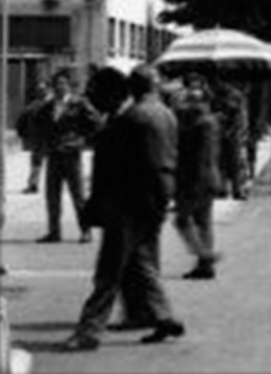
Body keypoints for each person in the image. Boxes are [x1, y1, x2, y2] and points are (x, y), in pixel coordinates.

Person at [60, 67, 184, 352]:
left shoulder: (129, 120)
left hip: (127, 203)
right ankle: (163, 316)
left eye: (97, 93)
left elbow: (110, 171)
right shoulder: (165, 113)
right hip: (155, 199)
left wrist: (93, 209)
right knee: (139, 263)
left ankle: (88, 332)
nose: (92, 99)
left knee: (109, 271)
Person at [39, 70, 103, 243]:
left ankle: (85, 231)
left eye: (63, 83)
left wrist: (82, 141)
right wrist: (45, 144)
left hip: (72, 155)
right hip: (54, 155)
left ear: (69, 86)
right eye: (57, 84)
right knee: (52, 196)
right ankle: (54, 232)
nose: (59, 87)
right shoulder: (48, 105)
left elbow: (97, 123)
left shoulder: (79, 103)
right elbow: (41, 126)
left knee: (78, 196)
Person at [172, 78, 224, 280]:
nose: (188, 103)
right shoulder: (205, 121)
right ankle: (205, 266)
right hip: (207, 179)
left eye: (193, 99)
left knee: (182, 220)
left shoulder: (201, 124)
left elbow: (200, 157)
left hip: (197, 181)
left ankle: (206, 256)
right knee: (204, 222)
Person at [214, 80, 249, 200]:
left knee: (236, 163)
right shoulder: (215, 95)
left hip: (233, 134)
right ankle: (223, 188)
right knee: (221, 162)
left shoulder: (237, 96)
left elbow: (241, 116)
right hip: (220, 133)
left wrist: (235, 130)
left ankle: (237, 189)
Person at [16, 80, 51, 195]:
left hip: (53, 139)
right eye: (39, 90)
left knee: (58, 164)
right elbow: (22, 119)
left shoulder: (54, 103)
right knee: (36, 163)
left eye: (43, 89)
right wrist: (23, 133)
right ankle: (33, 185)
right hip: (38, 139)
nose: (41, 92)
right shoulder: (34, 105)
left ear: (48, 89)